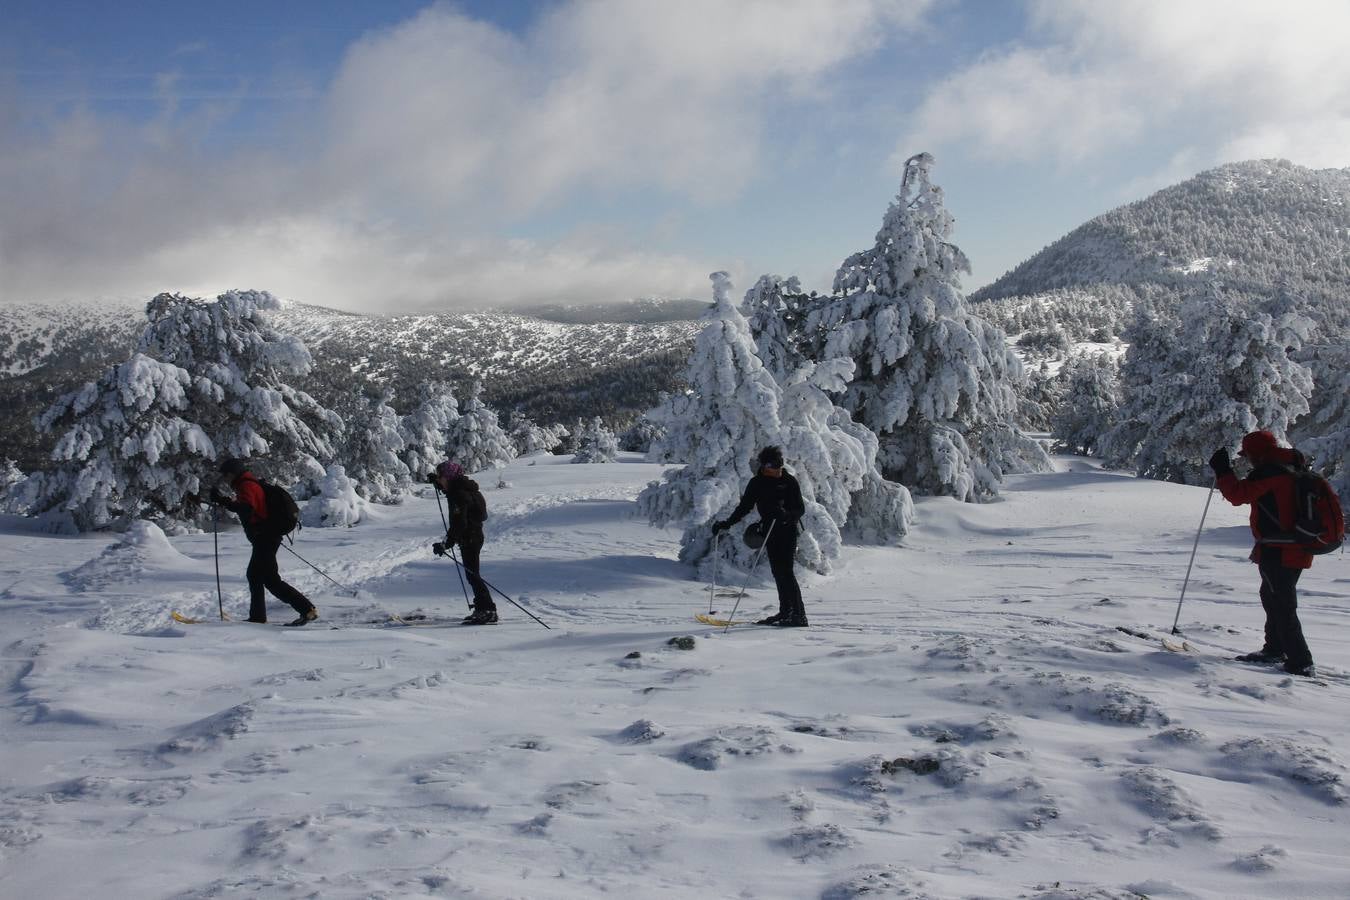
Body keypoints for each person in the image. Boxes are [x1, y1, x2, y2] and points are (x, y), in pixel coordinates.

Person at [1209, 430, 1315, 676]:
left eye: (1248, 455)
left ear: (1257, 454)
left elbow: (1237, 495)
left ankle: (1301, 662)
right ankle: (1275, 649)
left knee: (1281, 603)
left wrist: (1223, 471)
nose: (1247, 460)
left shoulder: (1272, 473)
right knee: (1272, 596)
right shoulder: (1293, 468)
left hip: (1280, 549)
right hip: (1294, 547)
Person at [210, 458, 319, 626]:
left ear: (232, 474)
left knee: (268, 580)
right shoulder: (247, 483)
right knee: (258, 577)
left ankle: (306, 609)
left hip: (265, 537)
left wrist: (223, 501)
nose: (225, 479)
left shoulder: (247, 485)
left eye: (225, 476)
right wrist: (225, 501)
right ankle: (259, 617)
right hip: (266, 536)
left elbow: (246, 508)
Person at [711, 446, 808, 627]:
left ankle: (798, 615)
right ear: (765, 466)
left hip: (787, 531)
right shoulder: (757, 483)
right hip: (769, 531)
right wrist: (726, 523)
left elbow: (800, 509)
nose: (778, 471)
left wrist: (786, 514)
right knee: (777, 572)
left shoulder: (789, 481)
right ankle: (785, 611)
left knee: (786, 572)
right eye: (774, 467)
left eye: (780, 466)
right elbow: (744, 507)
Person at [431, 460, 496, 625]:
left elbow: (459, 524)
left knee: (473, 575)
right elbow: (451, 491)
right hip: (472, 536)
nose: (440, 480)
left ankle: (488, 610)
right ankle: (483, 608)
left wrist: (446, 543)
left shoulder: (459, 494)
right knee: (472, 574)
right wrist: (437, 483)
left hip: (470, 537)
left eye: (441, 476)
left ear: (449, 477)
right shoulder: (462, 488)